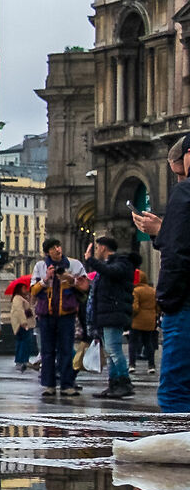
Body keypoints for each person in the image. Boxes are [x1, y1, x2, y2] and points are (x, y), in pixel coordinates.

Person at [137, 133, 190, 412]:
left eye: (179, 171)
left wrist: (166, 300)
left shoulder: (185, 192)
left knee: (176, 392)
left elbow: (179, 254)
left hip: (185, 305)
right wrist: (162, 231)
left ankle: (179, 452)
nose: (180, 179)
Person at [28, 236, 89, 400]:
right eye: (53, 248)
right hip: (46, 315)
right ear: (48, 251)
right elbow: (33, 290)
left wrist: (71, 280)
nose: (57, 250)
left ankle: (67, 384)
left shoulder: (74, 264)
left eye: (59, 246)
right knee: (47, 351)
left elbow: (85, 286)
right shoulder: (40, 266)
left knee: (66, 350)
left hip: (66, 314)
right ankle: (48, 385)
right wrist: (46, 279)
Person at [86, 234, 139, 400]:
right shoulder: (110, 265)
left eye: (96, 248)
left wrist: (91, 261)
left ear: (103, 248)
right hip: (106, 314)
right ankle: (114, 384)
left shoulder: (122, 263)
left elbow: (111, 272)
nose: (95, 251)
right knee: (110, 351)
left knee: (114, 350)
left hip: (114, 313)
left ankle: (124, 382)